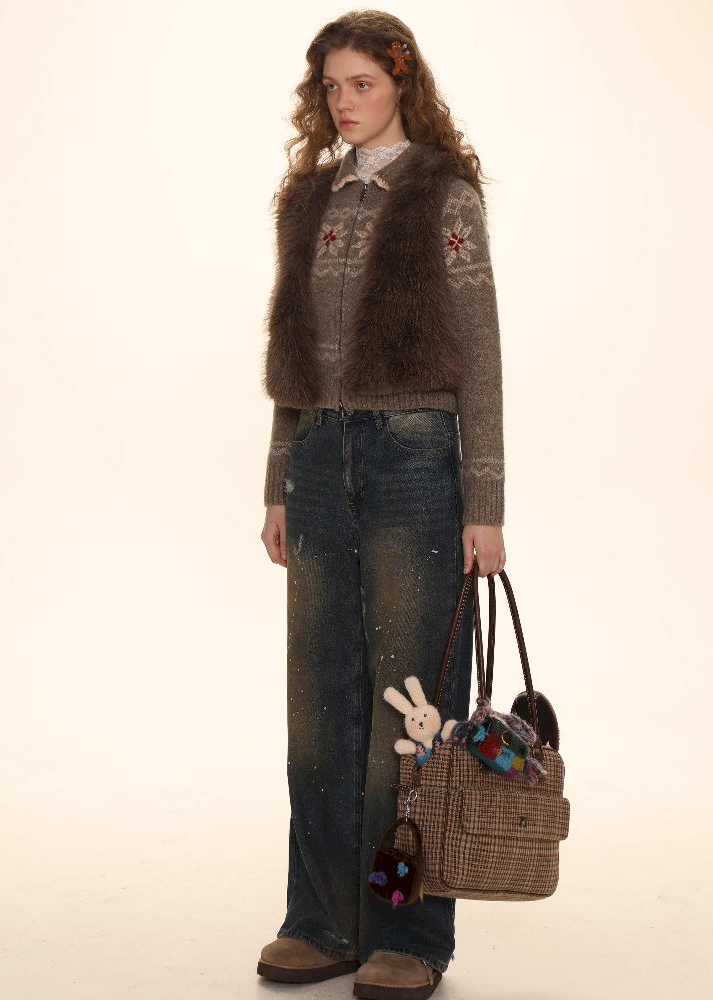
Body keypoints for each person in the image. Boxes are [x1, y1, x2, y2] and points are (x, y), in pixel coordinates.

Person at [257, 11, 506, 999]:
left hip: (414, 460)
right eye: (331, 86)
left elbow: (481, 352)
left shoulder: (444, 193)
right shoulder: (309, 199)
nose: (343, 101)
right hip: (320, 460)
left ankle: (405, 930)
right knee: (319, 706)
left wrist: (485, 499)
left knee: (411, 712)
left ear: (402, 83)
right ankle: (322, 919)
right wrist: (278, 479)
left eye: (361, 82)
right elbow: (293, 354)